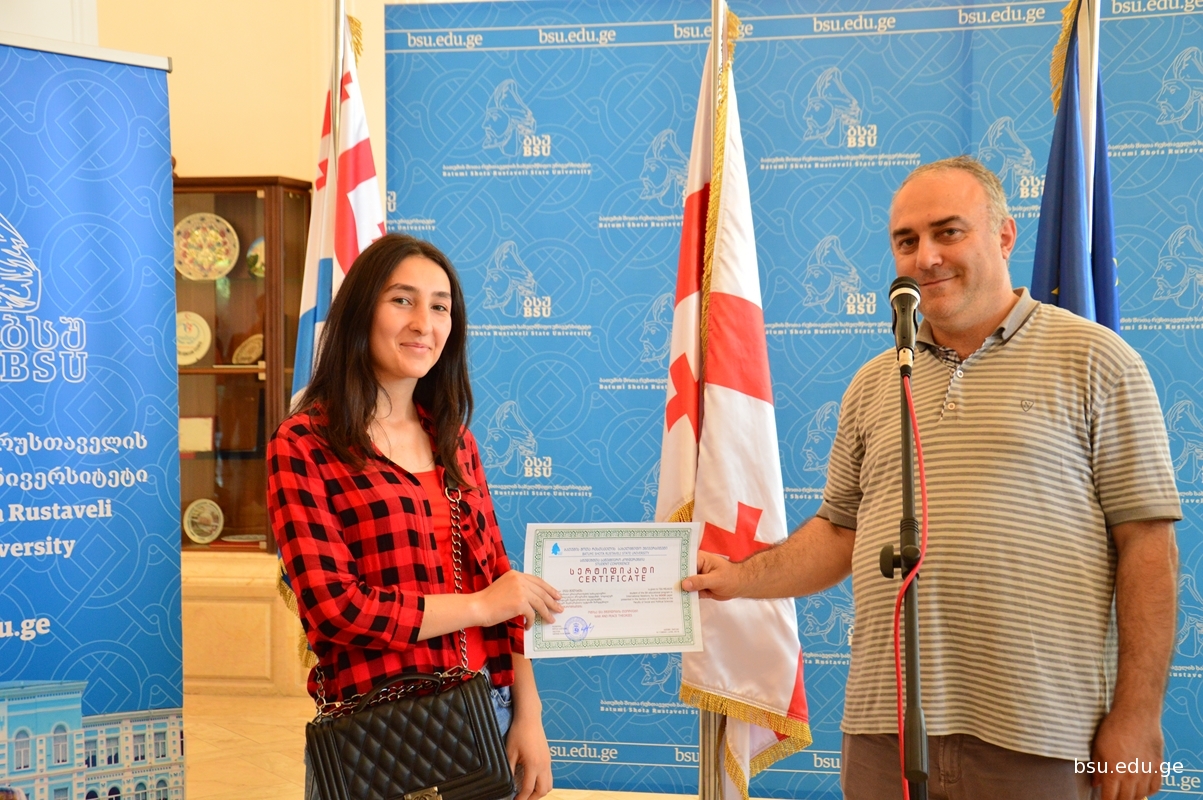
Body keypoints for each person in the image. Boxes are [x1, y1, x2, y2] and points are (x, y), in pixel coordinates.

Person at [683, 156, 1181, 800]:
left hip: (1043, 734)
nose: (926, 257)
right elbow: (840, 533)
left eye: (949, 232)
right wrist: (739, 578)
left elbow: (1147, 546)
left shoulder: (1097, 360)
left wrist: (1138, 714)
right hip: (883, 737)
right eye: (906, 240)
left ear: (1004, 236)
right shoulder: (875, 381)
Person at [268, 234, 562, 800]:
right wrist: (480, 606)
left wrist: (529, 714)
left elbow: (503, 584)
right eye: (402, 300)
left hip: (489, 713)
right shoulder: (304, 443)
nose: (423, 323)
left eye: (440, 306)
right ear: (362, 311)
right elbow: (336, 610)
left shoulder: (454, 440)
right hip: (379, 730)